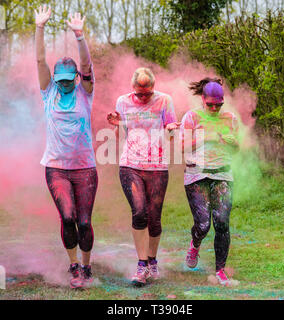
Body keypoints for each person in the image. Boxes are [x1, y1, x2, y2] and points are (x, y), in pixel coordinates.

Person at [35, 5, 98, 288]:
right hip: (56, 168)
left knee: (84, 221)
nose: (62, 86)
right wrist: (40, 28)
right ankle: (73, 265)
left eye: (66, 81)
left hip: (85, 168)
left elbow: (86, 66)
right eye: (58, 81)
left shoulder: (86, 93)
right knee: (68, 216)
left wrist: (79, 36)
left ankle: (86, 265)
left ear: (75, 79)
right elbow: (39, 62)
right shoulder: (48, 93)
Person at [107, 68, 180, 286]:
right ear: (133, 88)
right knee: (139, 212)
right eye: (140, 94)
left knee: (154, 218)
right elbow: (120, 133)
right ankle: (141, 266)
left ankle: (152, 259)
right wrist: (115, 124)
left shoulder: (165, 101)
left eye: (147, 93)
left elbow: (170, 131)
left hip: (157, 166)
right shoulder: (122, 101)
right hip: (130, 165)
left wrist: (172, 129)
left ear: (153, 88)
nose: (144, 97)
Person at [180, 78, 239, 286]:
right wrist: (208, 137)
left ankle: (220, 270)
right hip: (196, 174)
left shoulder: (230, 119)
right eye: (210, 104)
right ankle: (195, 243)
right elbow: (183, 148)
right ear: (202, 99)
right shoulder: (191, 117)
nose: (214, 108)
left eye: (218, 105)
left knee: (222, 222)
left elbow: (235, 148)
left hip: (222, 174)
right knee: (204, 224)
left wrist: (234, 143)